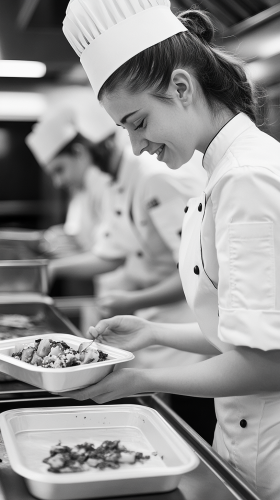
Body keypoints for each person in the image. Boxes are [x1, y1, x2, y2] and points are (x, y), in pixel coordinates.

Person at [62, 1, 280, 498]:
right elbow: (244, 333)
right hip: (244, 442)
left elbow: (272, 362)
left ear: (181, 87)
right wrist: (153, 331)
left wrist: (144, 376)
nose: (138, 147)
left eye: (138, 123)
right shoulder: (223, 170)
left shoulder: (248, 178)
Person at [25, 106, 114, 256]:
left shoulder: (106, 184)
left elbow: (113, 250)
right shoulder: (79, 190)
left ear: (78, 152)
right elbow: (78, 236)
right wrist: (56, 237)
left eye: (59, 170)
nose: (58, 182)